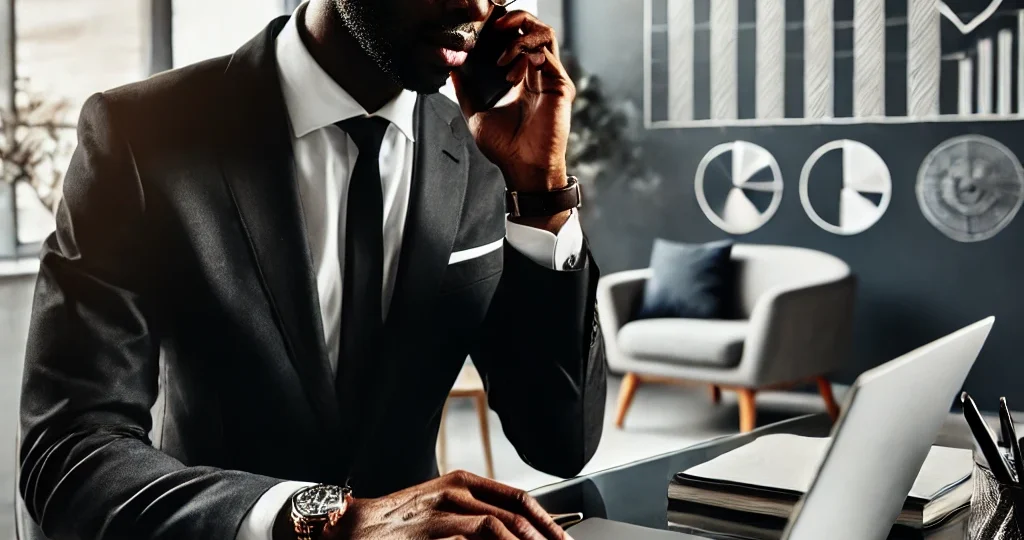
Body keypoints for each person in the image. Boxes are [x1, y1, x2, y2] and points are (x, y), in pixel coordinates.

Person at [17, 0, 607, 538]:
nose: (477, 6)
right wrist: (323, 519)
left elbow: (561, 443)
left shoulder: (486, 152)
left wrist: (539, 190)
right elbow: (69, 450)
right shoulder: (141, 135)